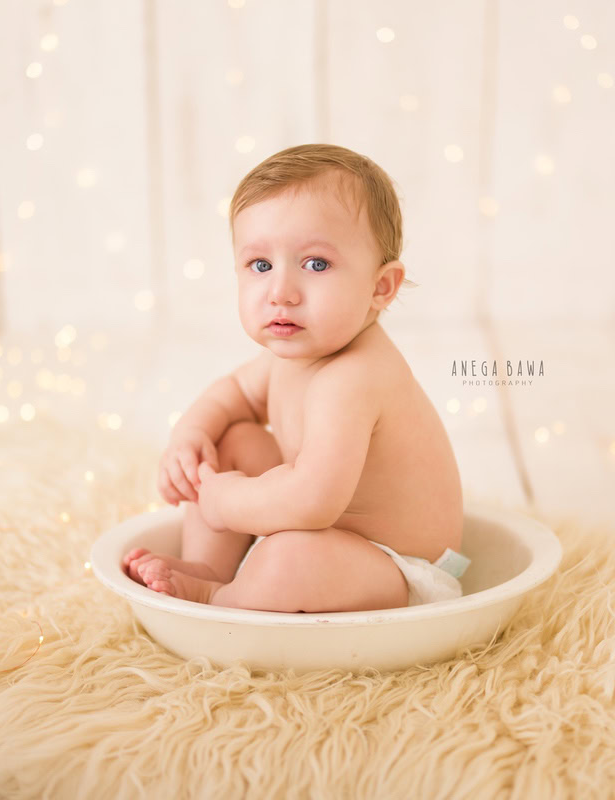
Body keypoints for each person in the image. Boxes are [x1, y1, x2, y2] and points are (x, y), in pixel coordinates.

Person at [122, 143, 469, 611]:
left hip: (393, 566)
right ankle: (213, 570)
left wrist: (226, 503)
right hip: (325, 541)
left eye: (316, 264)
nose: (281, 293)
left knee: (292, 557)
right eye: (260, 266)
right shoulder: (298, 353)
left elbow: (311, 501)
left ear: (380, 287)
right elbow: (235, 393)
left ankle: (218, 597)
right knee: (233, 439)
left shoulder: (355, 376)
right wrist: (191, 437)